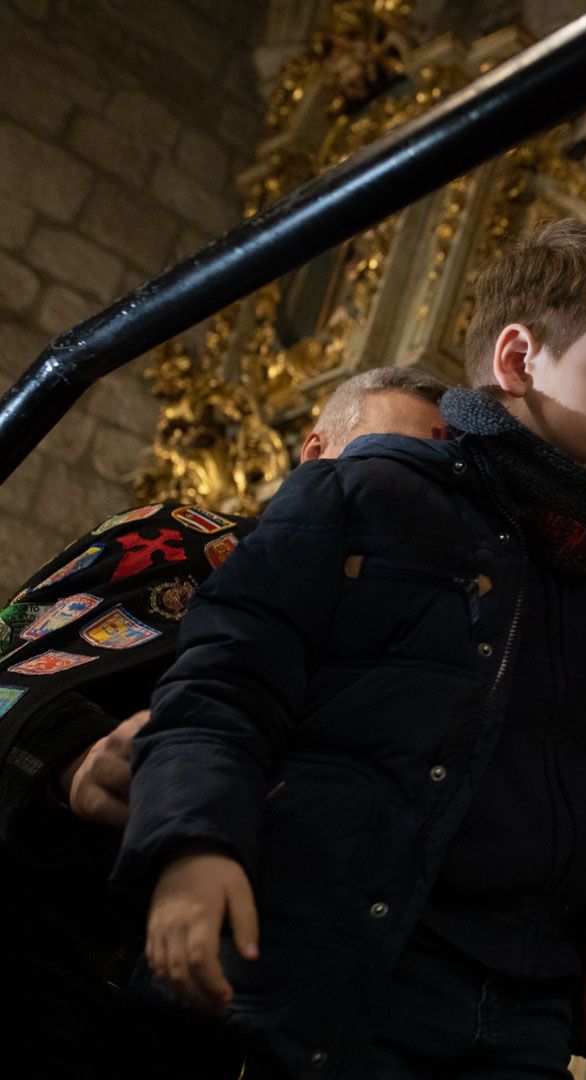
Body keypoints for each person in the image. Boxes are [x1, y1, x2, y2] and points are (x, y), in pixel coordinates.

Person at [113, 219, 586, 1079]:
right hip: (343, 959)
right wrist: (193, 846)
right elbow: (225, 683)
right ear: (517, 360)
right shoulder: (368, 494)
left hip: (522, 1006)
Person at [0, 366, 448, 1080]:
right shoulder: (191, 542)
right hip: (47, 955)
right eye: (392, 462)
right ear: (315, 454)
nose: (413, 497)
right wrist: (73, 758)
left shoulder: (430, 659)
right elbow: (14, 666)